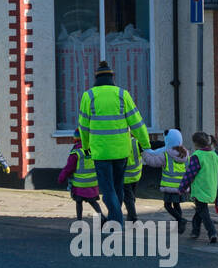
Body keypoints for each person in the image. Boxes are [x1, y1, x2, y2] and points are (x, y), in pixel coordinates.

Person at [78, 60, 151, 228]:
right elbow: (137, 123)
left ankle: (116, 221)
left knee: (108, 189)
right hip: (121, 152)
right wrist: (146, 144)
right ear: (112, 77)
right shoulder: (122, 94)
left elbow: (83, 126)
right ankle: (114, 219)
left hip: (100, 152)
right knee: (118, 187)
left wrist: (86, 147)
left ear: (96, 78)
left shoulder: (88, 96)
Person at [144, 128, 189, 233]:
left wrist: (145, 154)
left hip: (170, 186)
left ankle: (181, 220)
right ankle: (180, 226)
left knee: (167, 205)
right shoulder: (185, 154)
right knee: (177, 205)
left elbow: (154, 162)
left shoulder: (166, 154)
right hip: (181, 186)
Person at [182, 131, 218, 242]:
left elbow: (190, 173)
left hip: (200, 189)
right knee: (200, 210)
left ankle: (212, 232)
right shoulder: (214, 155)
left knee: (203, 211)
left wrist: (182, 187)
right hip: (211, 187)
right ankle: (195, 231)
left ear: (195, 143)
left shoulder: (197, 156)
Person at [58, 132, 104, 220]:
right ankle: (102, 217)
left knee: (79, 202)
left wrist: (61, 178)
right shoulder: (93, 149)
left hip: (79, 184)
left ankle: (79, 220)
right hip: (92, 182)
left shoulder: (76, 152)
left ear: (76, 139)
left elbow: (69, 168)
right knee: (93, 202)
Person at [122, 134, 143, 222]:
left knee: (128, 198)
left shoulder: (121, 142)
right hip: (136, 174)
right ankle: (130, 218)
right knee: (132, 197)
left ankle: (133, 218)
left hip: (125, 176)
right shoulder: (137, 142)